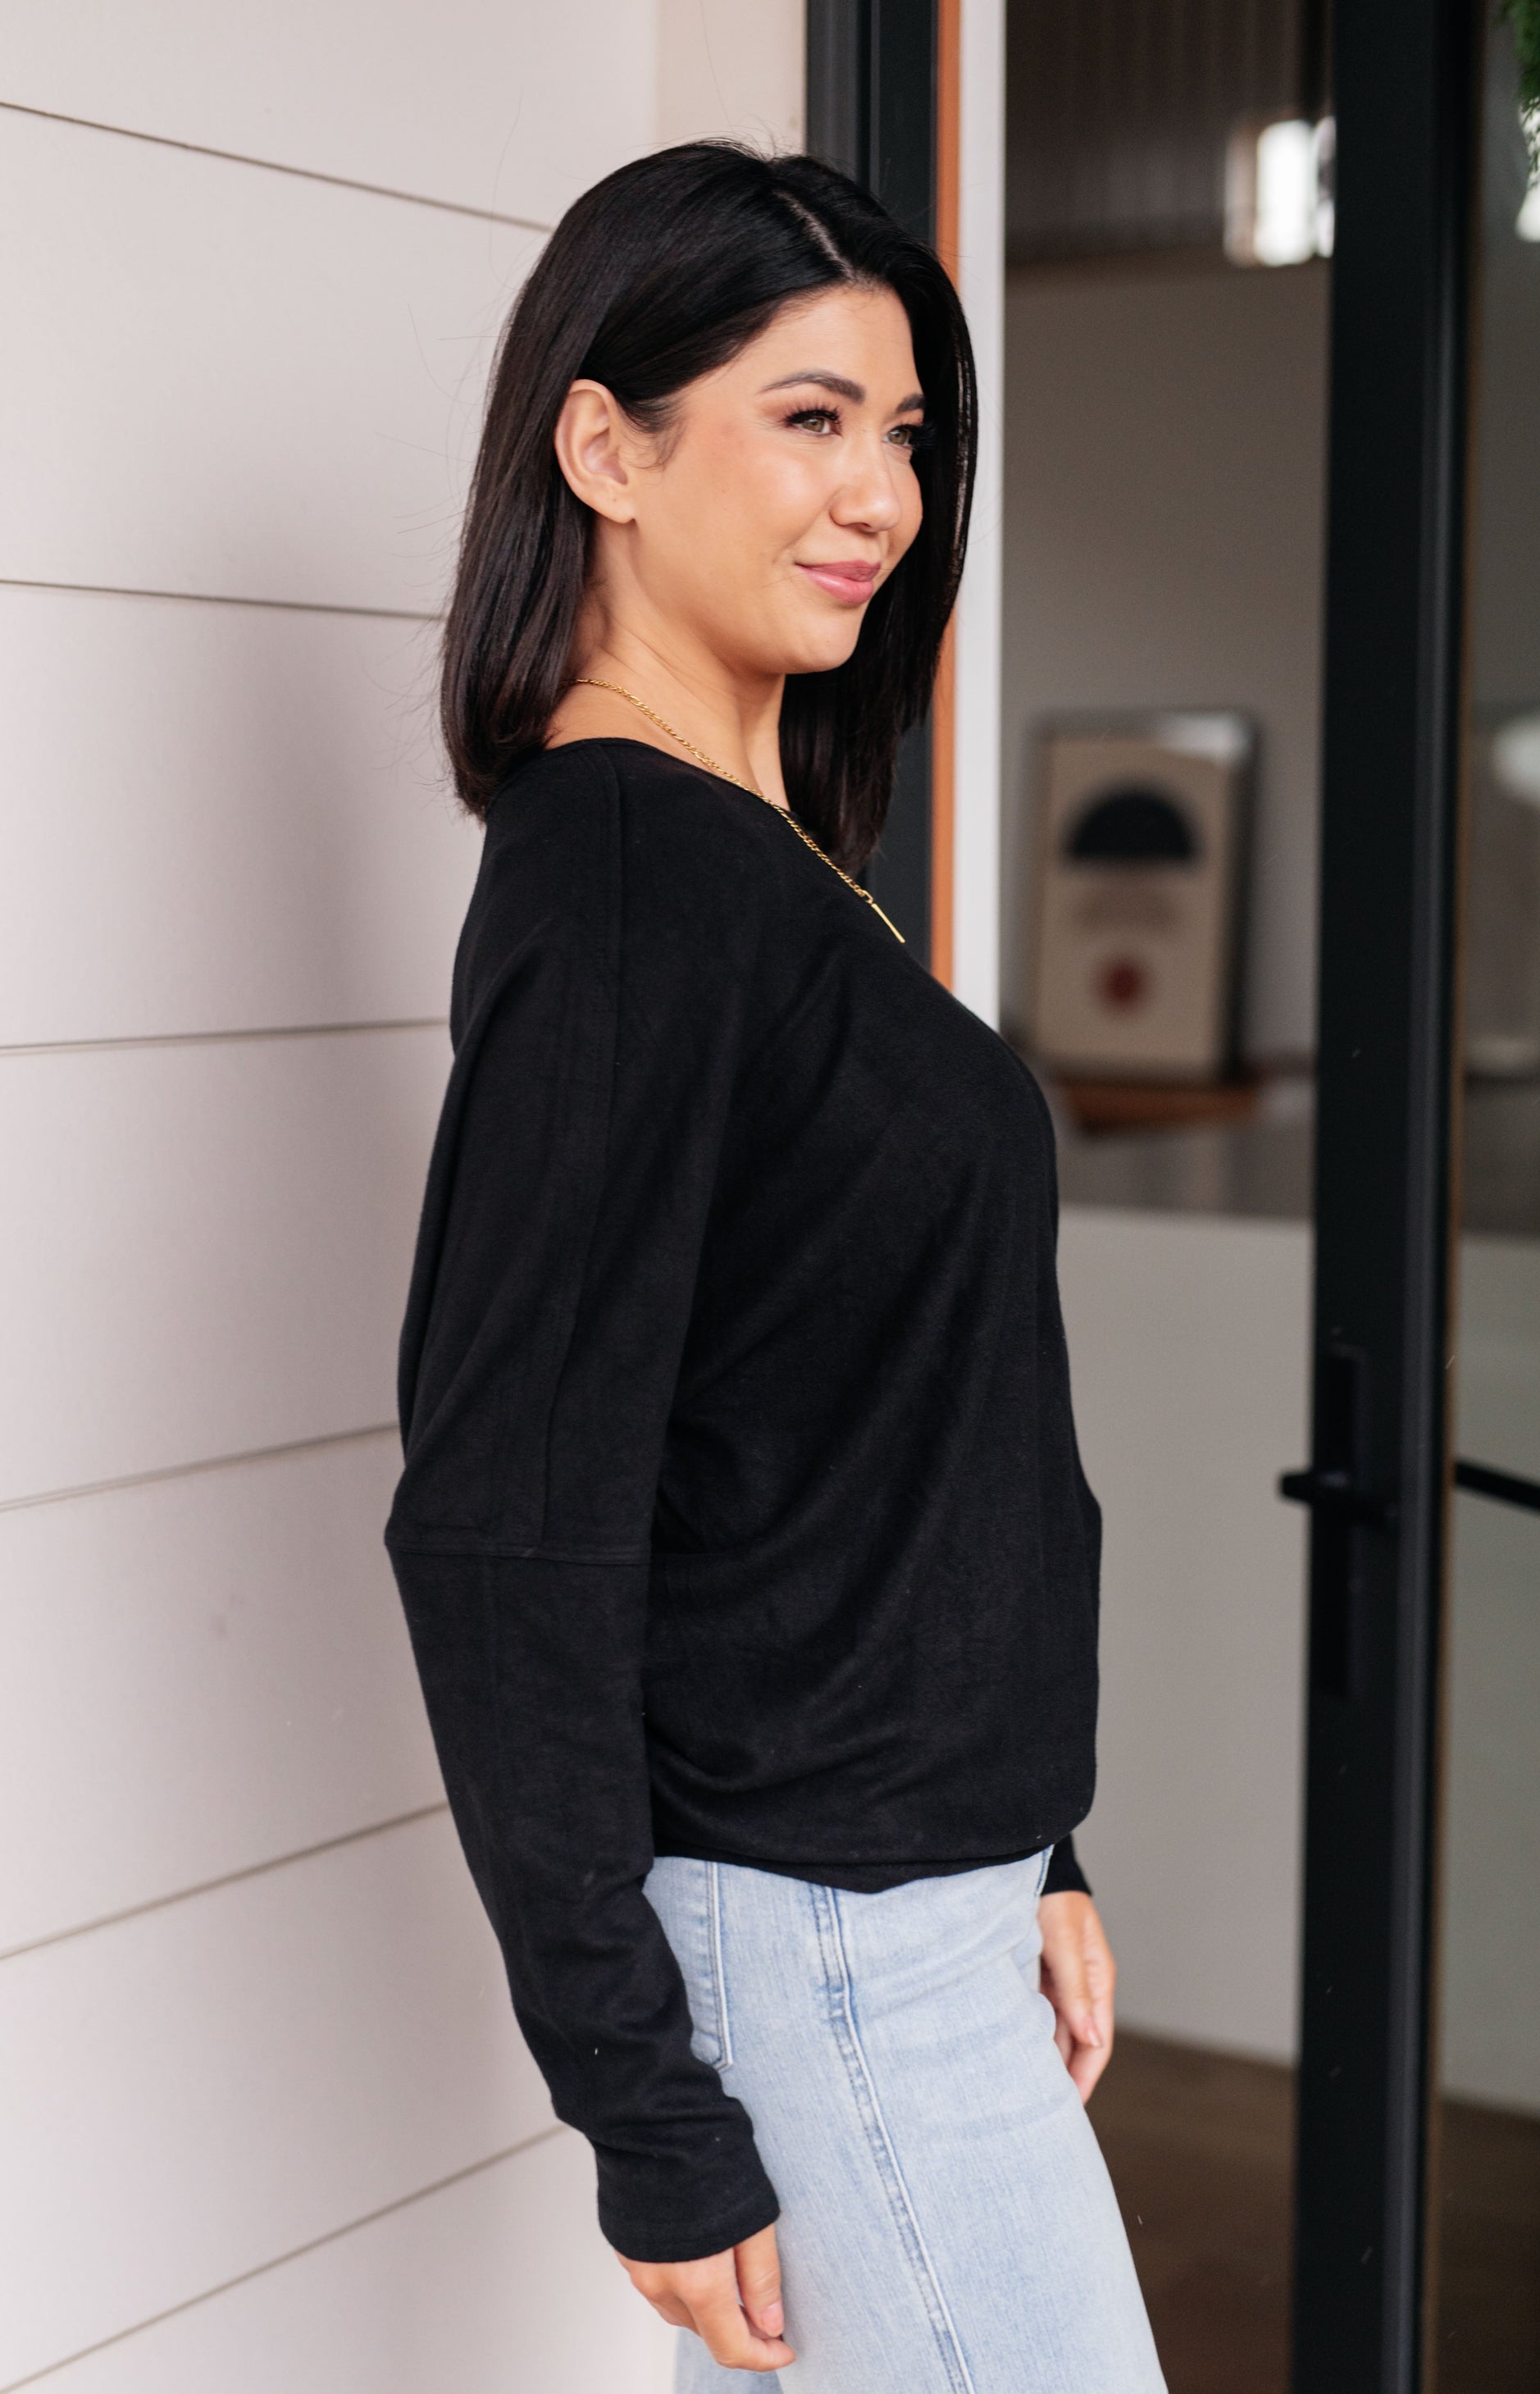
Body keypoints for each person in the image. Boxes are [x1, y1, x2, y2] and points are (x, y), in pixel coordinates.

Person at [385, 141, 1164, 2391]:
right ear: (603, 445)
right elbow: (504, 1526)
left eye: (905, 433)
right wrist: (647, 2111)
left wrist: (1033, 1842)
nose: (882, 496)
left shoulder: (769, 871)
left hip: (922, 1914)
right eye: (806, 416)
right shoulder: (626, 894)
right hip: (818, 1953)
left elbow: (874, 1436)